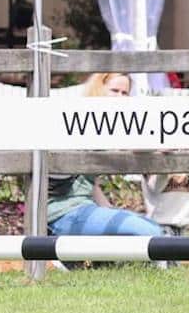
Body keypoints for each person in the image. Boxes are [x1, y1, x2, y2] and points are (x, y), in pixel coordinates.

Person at [46, 73, 171, 237]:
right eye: (114, 90)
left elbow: (92, 185)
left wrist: (112, 213)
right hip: (62, 213)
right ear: (99, 89)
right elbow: (131, 144)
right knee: (149, 231)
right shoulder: (83, 120)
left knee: (152, 227)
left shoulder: (108, 126)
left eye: (125, 93)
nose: (120, 97)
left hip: (84, 208)